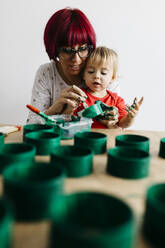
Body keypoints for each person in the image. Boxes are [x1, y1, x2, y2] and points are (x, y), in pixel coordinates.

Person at [27, 7, 120, 124]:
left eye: (83, 48)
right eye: (67, 50)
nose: (76, 59)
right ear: (54, 50)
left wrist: (114, 119)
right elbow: (31, 124)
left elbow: (118, 126)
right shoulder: (47, 72)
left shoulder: (104, 72)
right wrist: (54, 110)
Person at [73, 46, 144, 128]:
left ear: (112, 78)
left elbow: (123, 124)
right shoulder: (78, 96)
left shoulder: (116, 100)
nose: (96, 76)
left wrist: (130, 117)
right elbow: (71, 121)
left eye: (103, 73)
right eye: (91, 72)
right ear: (84, 75)